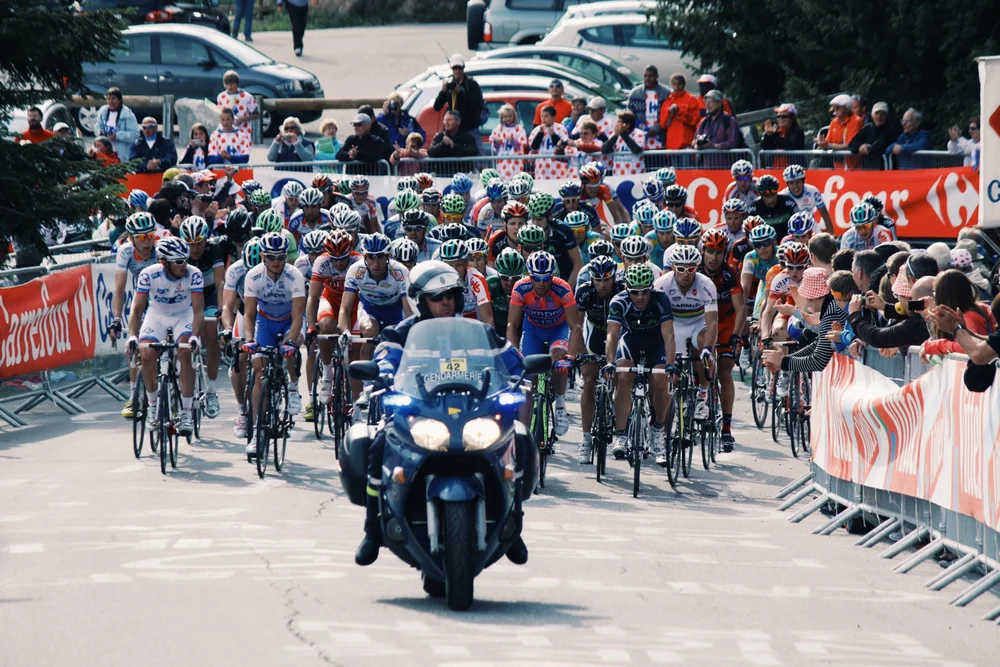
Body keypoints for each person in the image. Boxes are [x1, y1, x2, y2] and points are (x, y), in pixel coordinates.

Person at [355, 261, 530, 567]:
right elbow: (385, 363)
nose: (446, 301)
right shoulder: (399, 335)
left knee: (520, 439)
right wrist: (381, 377)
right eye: (437, 297)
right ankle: (372, 530)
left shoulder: (479, 333)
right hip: (420, 414)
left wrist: (522, 373)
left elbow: (514, 362)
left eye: (451, 294)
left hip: (471, 414)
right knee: (377, 444)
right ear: (420, 300)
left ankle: (512, 522)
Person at [126, 237, 204, 437]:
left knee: (185, 352)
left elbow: (198, 311)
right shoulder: (148, 275)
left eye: (185, 260)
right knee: (146, 355)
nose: (184, 265)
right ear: (163, 262)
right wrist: (132, 336)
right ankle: (152, 406)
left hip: (183, 315)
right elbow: (136, 310)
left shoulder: (194, 275)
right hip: (157, 316)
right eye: (178, 262)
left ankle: (186, 412)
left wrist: (195, 336)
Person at [606, 263, 678, 464]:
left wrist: (670, 365)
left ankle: (658, 432)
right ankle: (620, 434)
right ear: (627, 289)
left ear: (651, 289)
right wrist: (611, 362)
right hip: (631, 340)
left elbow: (669, 336)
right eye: (635, 292)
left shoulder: (661, 300)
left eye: (645, 291)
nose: (640, 297)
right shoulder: (618, 301)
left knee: (660, 377)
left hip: (656, 342)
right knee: (624, 376)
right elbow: (612, 335)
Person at [507, 250, 581, 437]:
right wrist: (514, 354)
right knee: (528, 376)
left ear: (552, 276)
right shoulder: (520, 288)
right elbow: (512, 325)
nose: (541, 283)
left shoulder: (563, 289)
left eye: (545, 278)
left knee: (557, 360)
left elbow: (575, 326)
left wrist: (570, 356)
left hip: (558, 328)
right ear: (529, 276)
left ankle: (560, 403)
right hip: (533, 330)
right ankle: (523, 434)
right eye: (536, 278)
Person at [655, 245, 719, 421]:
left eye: (690, 269)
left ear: (697, 267)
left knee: (704, 352)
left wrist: (708, 348)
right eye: (681, 268)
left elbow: (713, 321)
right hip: (675, 324)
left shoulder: (706, 284)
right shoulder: (662, 284)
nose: (686, 273)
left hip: (698, 322)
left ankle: (702, 397)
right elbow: (656, 318)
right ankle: (673, 397)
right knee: (673, 366)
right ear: (673, 267)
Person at [571, 255, 622, 462]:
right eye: (598, 280)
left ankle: (621, 430)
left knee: (620, 380)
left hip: (618, 335)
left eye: (607, 279)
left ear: (614, 278)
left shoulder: (622, 290)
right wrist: (580, 354)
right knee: (589, 381)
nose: (602, 284)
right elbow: (576, 325)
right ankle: (585, 439)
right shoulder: (584, 291)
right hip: (594, 335)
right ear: (591, 278)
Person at [110, 213, 160, 418]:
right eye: (140, 237)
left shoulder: (160, 248)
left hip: (162, 299)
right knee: (134, 346)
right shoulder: (126, 252)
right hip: (141, 299)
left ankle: (171, 390)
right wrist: (116, 319)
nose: (147, 241)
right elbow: (119, 288)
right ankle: (133, 397)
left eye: (150, 236)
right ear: (131, 238)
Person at [178, 217, 226, 418]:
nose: (194, 248)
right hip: (187, 299)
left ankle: (212, 389)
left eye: (198, 243)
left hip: (209, 297)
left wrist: (222, 311)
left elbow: (220, 282)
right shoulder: (179, 251)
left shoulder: (213, 250)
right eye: (190, 244)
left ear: (206, 240)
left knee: (210, 332)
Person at [432, 54, 486, 154]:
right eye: (454, 68)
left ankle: (481, 169)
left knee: (478, 153)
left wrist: (460, 92)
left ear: (463, 68)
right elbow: (437, 107)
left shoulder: (471, 84)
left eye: (459, 68)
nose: (457, 71)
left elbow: (474, 105)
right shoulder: (450, 84)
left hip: (469, 127)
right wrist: (443, 91)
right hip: (453, 130)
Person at [780, 164, 832, 233]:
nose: (795, 186)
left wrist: (831, 236)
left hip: (811, 226)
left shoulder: (813, 191)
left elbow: (825, 216)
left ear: (803, 181)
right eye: (791, 183)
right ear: (787, 184)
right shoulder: (782, 196)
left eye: (798, 182)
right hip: (792, 229)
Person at [659, 73, 701, 150]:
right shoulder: (667, 102)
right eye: (674, 84)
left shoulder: (691, 99)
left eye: (679, 84)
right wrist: (669, 113)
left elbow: (695, 120)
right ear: (670, 85)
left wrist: (679, 112)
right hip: (671, 144)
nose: (677, 87)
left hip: (686, 143)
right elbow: (663, 124)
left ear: (684, 84)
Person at [529, 105, 572, 180]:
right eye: (542, 116)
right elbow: (533, 147)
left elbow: (562, 144)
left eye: (546, 116)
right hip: (542, 164)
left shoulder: (561, 128)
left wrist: (553, 135)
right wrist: (540, 134)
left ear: (553, 117)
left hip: (557, 164)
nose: (543, 119)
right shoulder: (537, 129)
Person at [747, 175, 796, 239]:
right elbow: (748, 231)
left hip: (787, 240)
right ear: (760, 194)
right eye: (766, 195)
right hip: (765, 242)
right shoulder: (753, 208)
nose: (771, 199)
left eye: (773, 193)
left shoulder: (788, 202)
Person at [96, 88, 139, 159]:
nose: (111, 101)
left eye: (113, 98)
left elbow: (134, 135)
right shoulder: (102, 112)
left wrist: (117, 136)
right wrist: (99, 133)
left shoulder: (128, 114)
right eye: (108, 99)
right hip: (104, 154)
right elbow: (97, 126)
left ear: (120, 100)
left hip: (121, 154)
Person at [216, 71, 260, 141]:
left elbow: (257, 115)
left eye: (232, 83)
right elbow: (219, 113)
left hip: (243, 133)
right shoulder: (221, 97)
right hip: (226, 134)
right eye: (227, 84)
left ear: (237, 83)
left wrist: (242, 119)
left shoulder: (247, 97)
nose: (230, 86)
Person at [600, 109, 645, 176]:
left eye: (619, 122)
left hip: (636, 174)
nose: (616, 125)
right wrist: (615, 136)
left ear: (627, 124)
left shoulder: (639, 134)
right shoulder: (615, 134)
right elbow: (604, 150)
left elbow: (636, 150)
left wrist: (623, 134)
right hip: (618, 174)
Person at [489, 103, 528, 179]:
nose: (508, 118)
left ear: (514, 116)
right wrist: (496, 141)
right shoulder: (498, 129)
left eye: (510, 116)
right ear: (502, 118)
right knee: (503, 178)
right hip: (503, 161)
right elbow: (492, 141)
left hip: (515, 160)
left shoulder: (519, 129)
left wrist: (513, 140)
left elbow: (523, 143)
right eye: (505, 117)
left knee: (516, 177)